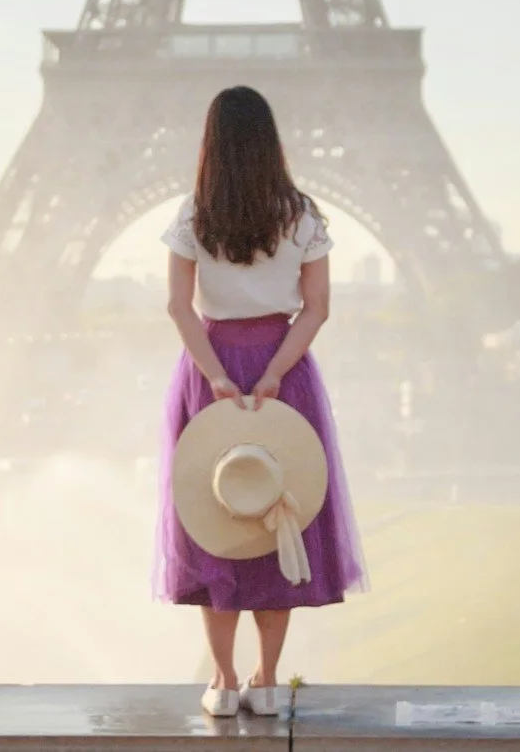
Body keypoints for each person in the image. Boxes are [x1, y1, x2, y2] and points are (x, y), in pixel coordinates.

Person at [155, 84, 364, 716]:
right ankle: (267, 680)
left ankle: (221, 682)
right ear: (271, 142)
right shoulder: (301, 213)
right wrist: (273, 373)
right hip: (286, 370)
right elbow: (317, 307)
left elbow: (177, 306)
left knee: (211, 522)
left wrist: (217, 376)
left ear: (210, 143)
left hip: (208, 367)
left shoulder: (195, 213)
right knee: (281, 519)